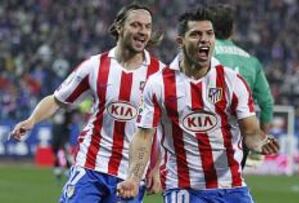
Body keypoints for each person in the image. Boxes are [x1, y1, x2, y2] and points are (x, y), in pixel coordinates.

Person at [117, 7, 279, 203]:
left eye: (209, 34)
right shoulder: (159, 83)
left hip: (231, 186)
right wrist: (134, 178)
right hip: (184, 187)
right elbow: (144, 136)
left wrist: (261, 142)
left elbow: (251, 133)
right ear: (180, 41)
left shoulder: (232, 81)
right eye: (196, 34)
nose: (204, 39)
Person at [10, 4, 164, 203]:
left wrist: (158, 168)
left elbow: (168, 129)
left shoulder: (160, 74)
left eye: (147, 26)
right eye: (136, 25)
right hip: (91, 166)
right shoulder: (95, 66)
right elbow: (58, 100)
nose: (143, 31)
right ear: (119, 27)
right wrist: (31, 120)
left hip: (132, 175)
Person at [209, 4, 274, 168]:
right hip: (240, 137)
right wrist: (261, 140)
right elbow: (267, 104)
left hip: (206, 132)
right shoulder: (251, 61)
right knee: (231, 184)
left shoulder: (202, 53)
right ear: (232, 30)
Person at [51, 109, 74, 182]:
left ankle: (68, 172)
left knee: (67, 155)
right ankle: (58, 173)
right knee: (57, 155)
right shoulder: (56, 113)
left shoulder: (67, 114)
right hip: (56, 138)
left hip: (63, 139)